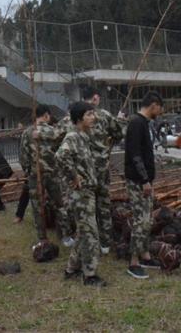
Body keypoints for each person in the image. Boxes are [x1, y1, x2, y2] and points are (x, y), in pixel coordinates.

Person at [58, 101, 106, 287]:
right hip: (81, 194)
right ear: (79, 119)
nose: (93, 117)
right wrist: (74, 177)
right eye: (89, 114)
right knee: (90, 234)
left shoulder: (84, 136)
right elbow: (61, 156)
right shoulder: (72, 137)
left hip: (88, 192)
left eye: (93, 114)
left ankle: (71, 269)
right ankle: (90, 275)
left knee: (83, 232)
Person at [80, 86, 127, 255]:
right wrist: (120, 120)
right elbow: (119, 133)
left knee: (86, 206)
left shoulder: (74, 116)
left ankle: (88, 240)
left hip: (83, 170)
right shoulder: (104, 115)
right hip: (101, 168)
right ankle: (106, 242)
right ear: (95, 98)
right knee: (103, 204)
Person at [124, 91, 164, 279]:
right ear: (153, 105)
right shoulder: (136, 123)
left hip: (146, 180)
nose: (160, 112)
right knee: (140, 220)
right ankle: (133, 262)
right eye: (160, 108)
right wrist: (144, 180)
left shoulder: (144, 123)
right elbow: (134, 154)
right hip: (138, 181)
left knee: (147, 220)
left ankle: (145, 255)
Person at [22, 105, 73, 246]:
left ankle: (42, 238)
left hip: (34, 174)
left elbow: (23, 156)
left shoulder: (27, 132)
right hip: (53, 173)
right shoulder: (53, 131)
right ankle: (66, 236)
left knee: (38, 207)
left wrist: (28, 170)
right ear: (46, 115)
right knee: (60, 205)